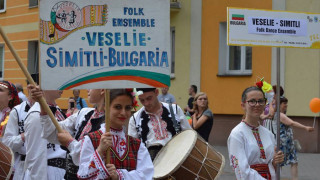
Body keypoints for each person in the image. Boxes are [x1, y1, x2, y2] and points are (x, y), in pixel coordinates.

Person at [29, 87, 109, 179]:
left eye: (91, 87)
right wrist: (43, 107)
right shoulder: (84, 113)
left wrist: (70, 143)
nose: (87, 90)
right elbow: (53, 132)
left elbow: (90, 157)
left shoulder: (109, 122)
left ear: (102, 90)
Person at [77, 89, 154, 179]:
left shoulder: (137, 144)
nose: (123, 113)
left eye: (128, 108)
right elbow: (82, 175)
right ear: (106, 107)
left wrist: (119, 175)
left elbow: (147, 175)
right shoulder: (91, 139)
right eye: (118, 107)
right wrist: (100, 151)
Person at [227, 86, 284, 180]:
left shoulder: (268, 134)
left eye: (261, 101)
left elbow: (270, 164)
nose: (257, 105)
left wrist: (275, 162)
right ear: (243, 105)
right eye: (252, 101)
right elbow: (241, 171)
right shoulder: (237, 134)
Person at [128, 88, 191, 160]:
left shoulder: (175, 109)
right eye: (142, 100)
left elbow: (188, 134)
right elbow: (132, 147)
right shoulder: (135, 118)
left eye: (149, 98)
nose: (146, 103)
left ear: (156, 92)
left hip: (176, 155)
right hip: (151, 160)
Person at [24, 89, 67, 179]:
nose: (62, 88)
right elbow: (36, 155)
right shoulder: (36, 115)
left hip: (59, 171)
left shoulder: (56, 110)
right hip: (47, 173)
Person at [3, 80, 35, 180]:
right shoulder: (17, 111)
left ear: (10, 96)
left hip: (39, 166)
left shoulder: (12, 113)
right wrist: (24, 136)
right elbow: (8, 143)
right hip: (18, 166)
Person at [276, 96, 314, 180]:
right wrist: (305, 127)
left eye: (286, 103)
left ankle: (294, 178)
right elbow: (292, 123)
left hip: (288, 143)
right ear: (279, 104)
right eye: (284, 103)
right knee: (281, 163)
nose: (286, 105)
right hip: (283, 144)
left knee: (293, 162)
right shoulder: (279, 114)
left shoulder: (281, 114)